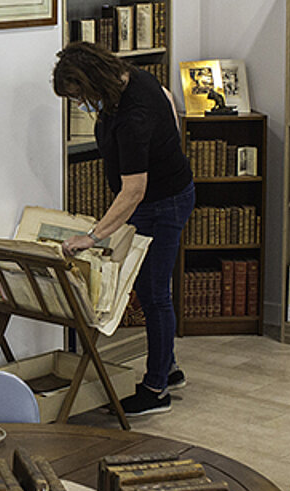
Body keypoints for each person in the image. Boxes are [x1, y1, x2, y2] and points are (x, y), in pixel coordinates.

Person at [52, 41, 195, 416]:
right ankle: (170, 368)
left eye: (80, 96)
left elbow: (134, 192)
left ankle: (156, 389)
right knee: (151, 290)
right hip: (161, 195)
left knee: (153, 293)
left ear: (95, 83)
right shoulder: (132, 79)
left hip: (161, 203)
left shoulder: (133, 118)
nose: (80, 105)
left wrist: (93, 237)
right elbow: (169, 99)